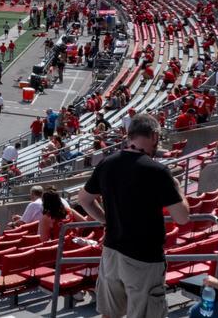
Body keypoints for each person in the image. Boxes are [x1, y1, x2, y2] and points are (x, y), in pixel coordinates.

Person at [78, 114, 190, 317]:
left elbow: (84, 200)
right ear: (154, 136)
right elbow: (182, 218)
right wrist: (177, 187)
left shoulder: (107, 163)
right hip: (144, 258)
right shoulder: (158, 171)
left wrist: (106, 221)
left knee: (109, 314)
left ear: (129, 135)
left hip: (111, 253)